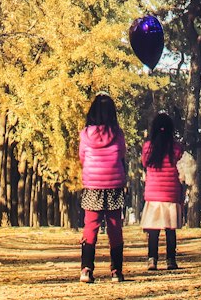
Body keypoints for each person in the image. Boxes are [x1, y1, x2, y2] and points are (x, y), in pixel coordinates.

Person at [78, 93, 127, 283]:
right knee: (115, 227)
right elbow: (122, 154)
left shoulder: (85, 134)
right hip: (114, 184)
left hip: (92, 185)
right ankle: (116, 271)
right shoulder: (118, 133)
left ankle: (86, 269)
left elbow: (82, 157)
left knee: (91, 225)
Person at [141, 111, 183, 274]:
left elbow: (144, 163)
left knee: (153, 230)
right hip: (171, 194)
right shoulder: (176, 147)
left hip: (153, 194)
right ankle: (171, 259)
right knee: (170, 229)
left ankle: (152, 259)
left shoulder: (148, 147)